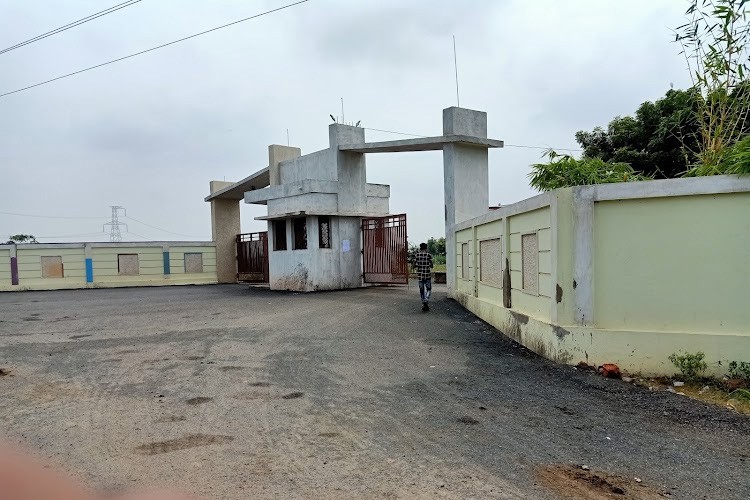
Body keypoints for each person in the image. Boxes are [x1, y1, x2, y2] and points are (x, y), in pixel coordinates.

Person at [412, 243, 434, 312]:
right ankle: (426, 299)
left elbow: (414, 266)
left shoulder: (417, 255)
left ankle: (423, 301)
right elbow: (431, 266)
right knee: (429, 289)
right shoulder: (429, 255)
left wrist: (415, 263)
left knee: (421, 290)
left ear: (420, 248)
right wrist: (429, 262)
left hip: (420, 276)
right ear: (426, 248)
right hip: (427, 275)